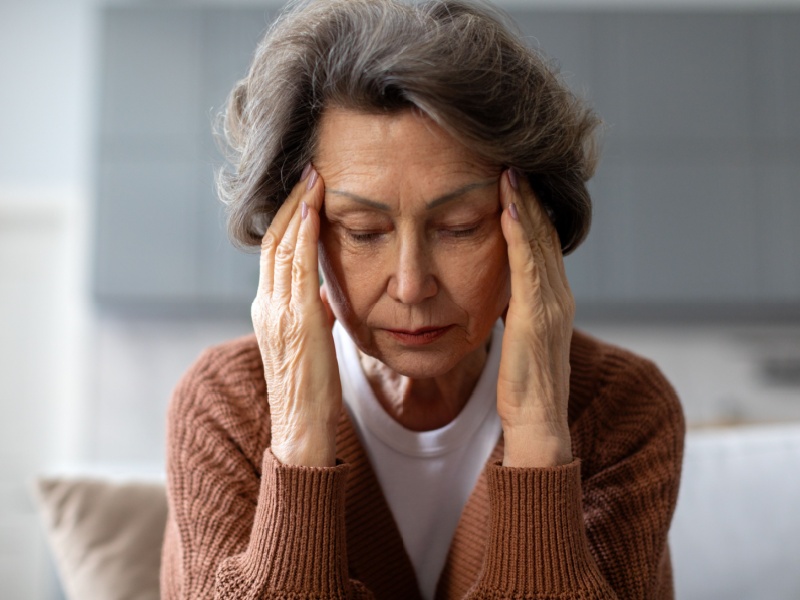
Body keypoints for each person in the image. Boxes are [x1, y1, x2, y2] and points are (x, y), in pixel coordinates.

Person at [160, 1, 685, 598]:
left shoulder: (620, 407)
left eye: (460, 227)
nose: (411, 285)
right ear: (298, 236)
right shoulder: (225, 406)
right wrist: (300, 444)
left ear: (533, 223)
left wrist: (540, 436)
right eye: (363, 231)